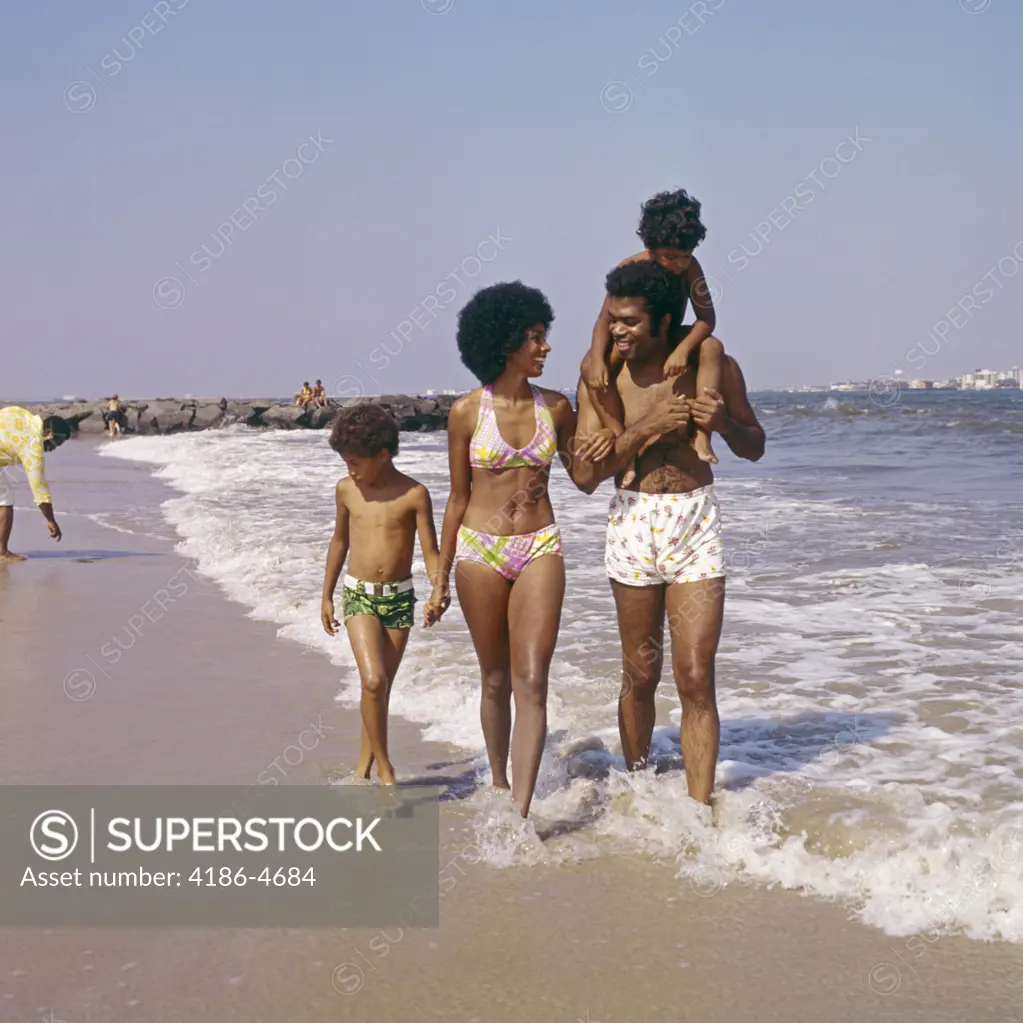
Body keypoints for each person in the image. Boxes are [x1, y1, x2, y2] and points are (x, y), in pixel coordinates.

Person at [573, 261, 765, 806]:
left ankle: (700, 811)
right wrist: (647, 429)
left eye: (629, 322)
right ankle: (636, 787)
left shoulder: (712, 364)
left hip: (694, 521)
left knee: (695, 675)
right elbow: (586, 477)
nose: (616, 332)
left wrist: (723, 425)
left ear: (662, 321)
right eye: (612, 321)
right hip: (633, 522)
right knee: (640, 672)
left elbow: (755, 443)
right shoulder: (601, 379)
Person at [430, 281, 621, 818]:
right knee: (494, 677)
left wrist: (606, 435)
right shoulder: (467, 413)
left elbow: (584, 480)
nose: (545, 347)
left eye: (545, 336)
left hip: (540, 546)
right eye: (535, 337)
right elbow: (456, 498)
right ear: (505, 341)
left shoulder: (557, 408)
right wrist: (441, 577)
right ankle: (496, 779)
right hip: (478, 550)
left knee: (532, 677)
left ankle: (519, 811)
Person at [320, 402, 447, 785]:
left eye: (356, 463)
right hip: (359, 594)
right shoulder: (346, 490)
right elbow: (339, 542)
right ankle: (386, 770)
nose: (350, 471)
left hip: (399, 598)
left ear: (383, 454)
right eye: (346, 463)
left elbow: (430, 552)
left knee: (379, 689)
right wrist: (326, 595)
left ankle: (364, 766)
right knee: (373, 680)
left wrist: (438, 589)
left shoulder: (413, 495)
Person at [581, 188, 726, 465]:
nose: (680, 264)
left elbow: (707, 319)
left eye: (686, 255)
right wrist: (599, 359)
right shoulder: (632, 266)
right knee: (589, 366)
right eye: (671, 257)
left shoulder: (691, 269)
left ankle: (702, 435)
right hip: (637, 338)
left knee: (712, 346)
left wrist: (683, 350)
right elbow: (604, 319)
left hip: (670, 334)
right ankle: (619, 438)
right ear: (651, 247)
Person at [0, 406, 71, 562]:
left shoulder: (21, 414)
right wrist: (51, 520)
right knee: (5, 502)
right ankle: (2, 552)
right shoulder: (34, 448)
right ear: (47, 432)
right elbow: (39, 489)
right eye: (57, 441)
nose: (56, 446)